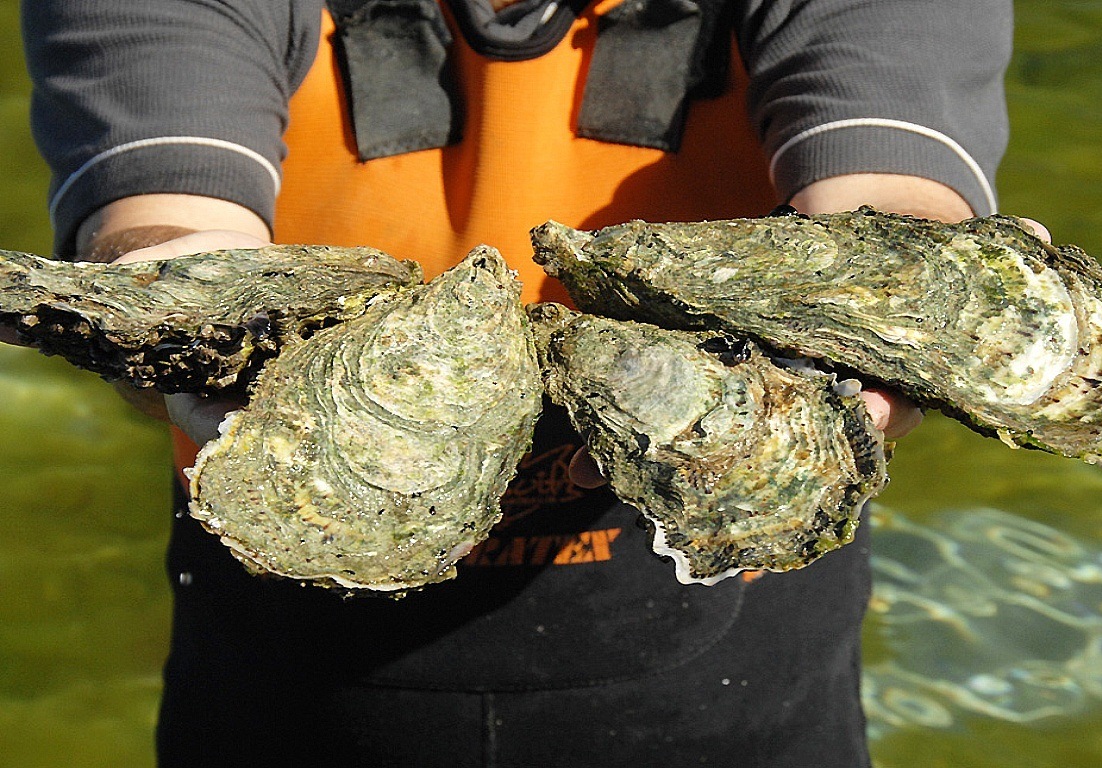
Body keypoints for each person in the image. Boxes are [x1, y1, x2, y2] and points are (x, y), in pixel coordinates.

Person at [20, 1, 1014, 765]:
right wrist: (178, 308)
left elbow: (890, 159)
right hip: (293, 627)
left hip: (736, 642)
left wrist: (909, 301)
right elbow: (163, 200)